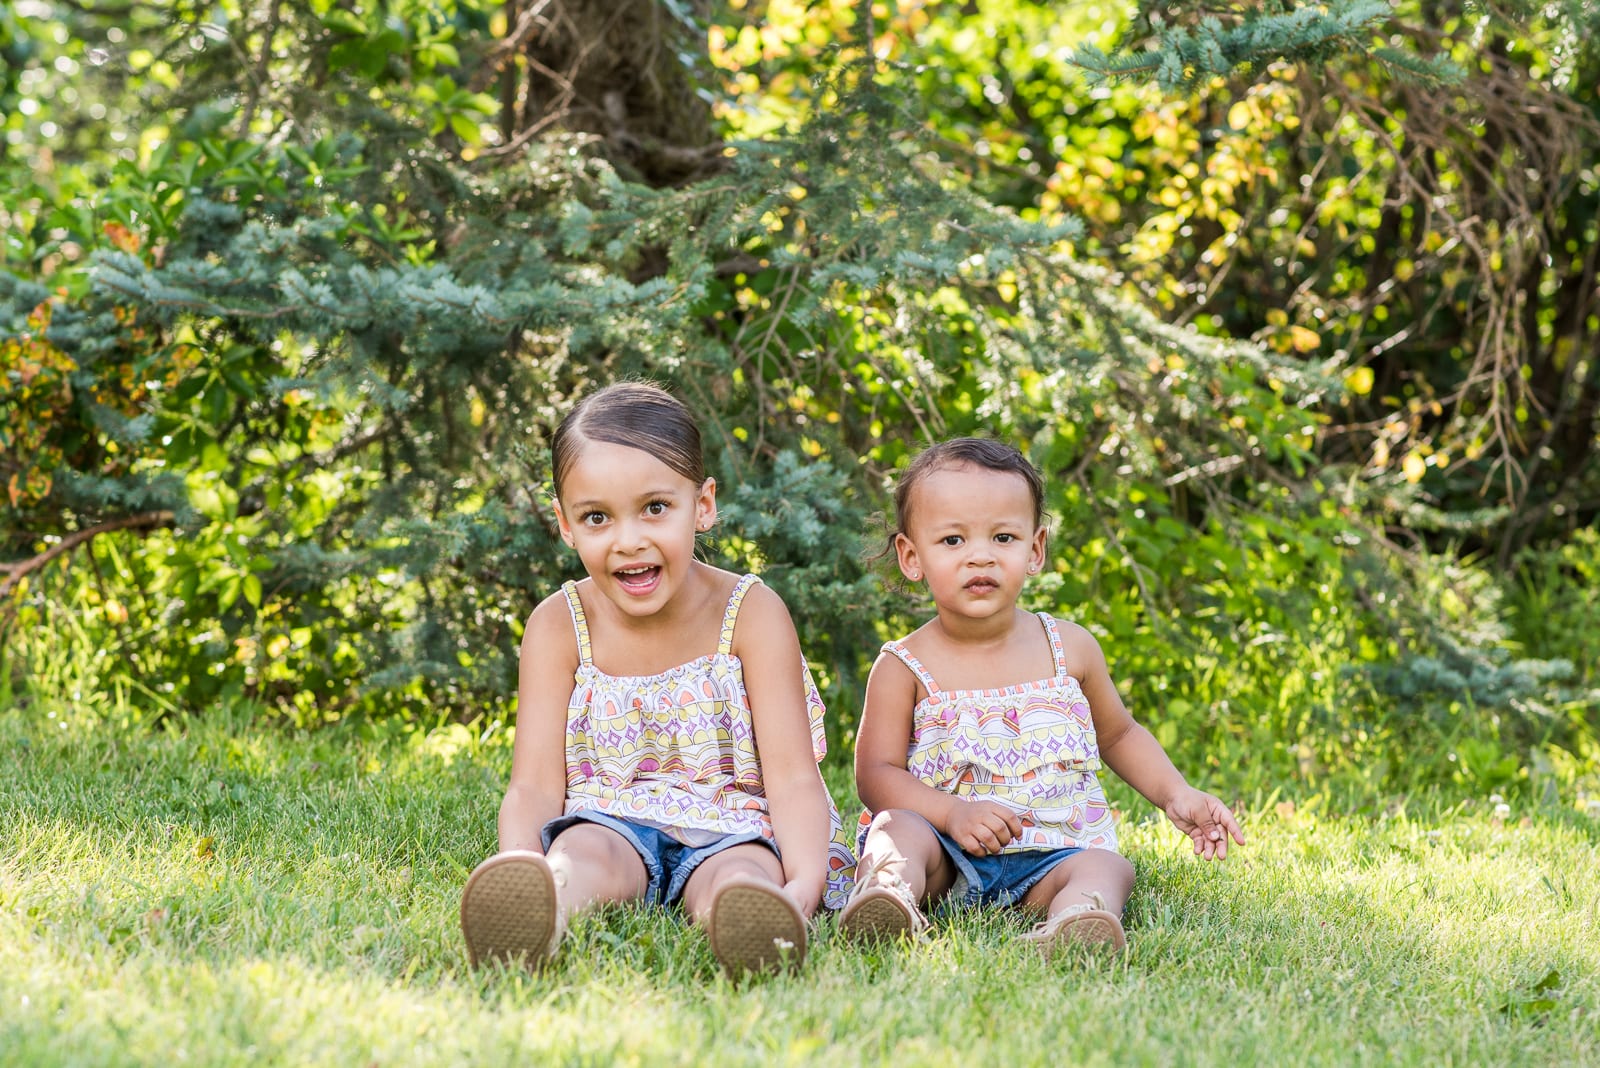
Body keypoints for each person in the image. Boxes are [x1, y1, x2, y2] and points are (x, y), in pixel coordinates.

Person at [459, 382, 852, 976]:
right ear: (565, 525)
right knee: (579, 856)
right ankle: (542, 907)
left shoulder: (750, 612)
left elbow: (793, 777)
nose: (628, 540)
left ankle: (752, 923)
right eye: (597, 518)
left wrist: (804, 882)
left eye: (655, 508)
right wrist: (523, 862)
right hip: (611, 818)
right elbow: (534, 785)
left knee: (739, 876)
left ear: (704, 504)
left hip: (733, 824)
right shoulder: (559, 625)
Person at [840, 438, 1243, 955]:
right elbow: (876, 775)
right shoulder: (903, 665)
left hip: (1052, 853)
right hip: (946, 855)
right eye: (952, 541)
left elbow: (1118, 734)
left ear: (1035, 550)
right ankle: (889, 894)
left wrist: (1176, 794)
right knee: (897, 829)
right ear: (911, 556)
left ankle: (1076, 918)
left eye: (1003, 537)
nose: (980, 555)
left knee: (1109, 866)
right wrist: (950, 815)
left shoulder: (1069, 648)